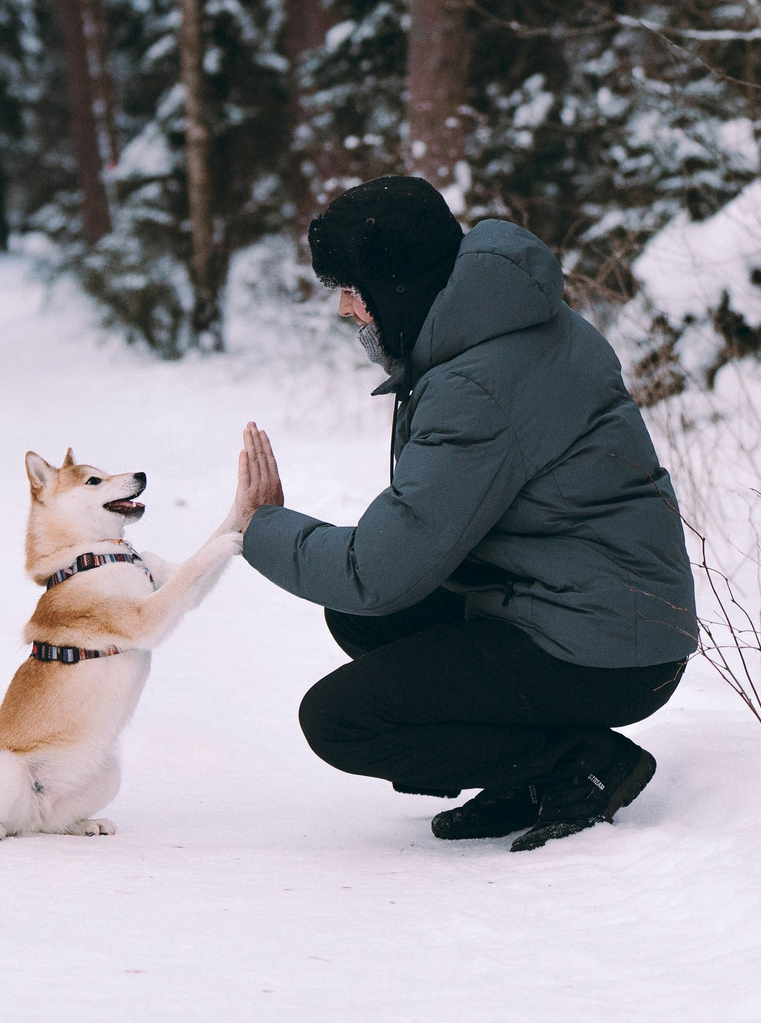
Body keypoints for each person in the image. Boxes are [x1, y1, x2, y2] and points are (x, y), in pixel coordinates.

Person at [232, 176, 696, 852]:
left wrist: (260, 527)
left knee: (340, 720)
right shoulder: (512, 326)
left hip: (608, 650)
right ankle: (525, 778)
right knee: (367, 621)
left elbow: (380, 570)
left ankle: (578, 766)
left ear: (396, 287)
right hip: (600, 614)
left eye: (353, 289)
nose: (344, 310)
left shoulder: (477, 381)